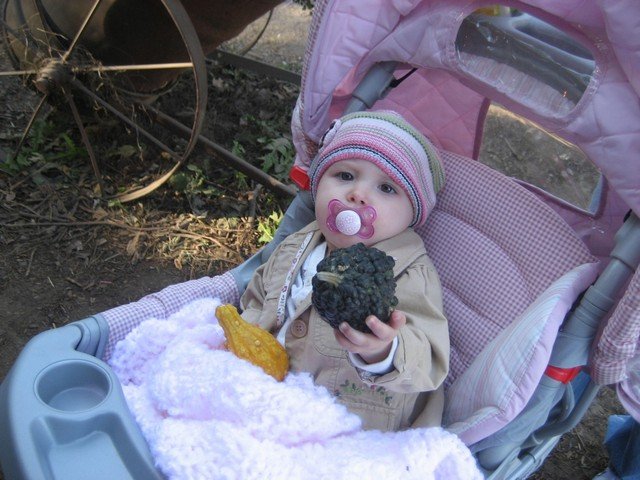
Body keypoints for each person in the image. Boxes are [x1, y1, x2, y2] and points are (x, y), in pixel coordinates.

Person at [239, 110, 449, 431]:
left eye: (386, 188)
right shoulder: (299, 243)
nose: (358, 194)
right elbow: (259, 294)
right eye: (346, 176)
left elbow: (429, 360)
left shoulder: (409, 273)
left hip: (348, 422)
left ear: (412, 215)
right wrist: (247, 334)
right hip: (270, 391)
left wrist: (383, 350)